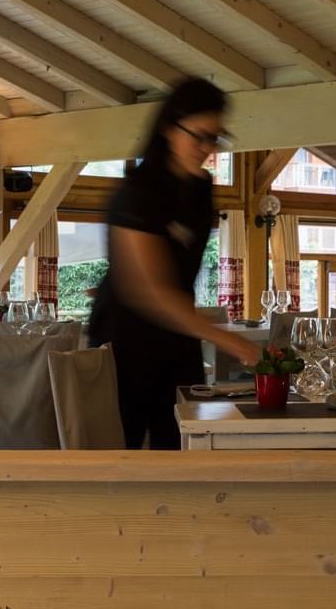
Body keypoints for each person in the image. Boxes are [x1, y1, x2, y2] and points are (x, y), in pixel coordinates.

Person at [89, 77, 259, 450]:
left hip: (176, 336)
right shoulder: (137, 193)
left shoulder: (201, 190)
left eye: (215, 137)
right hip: (124, 339)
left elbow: (179, 277)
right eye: (198, 135)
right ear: (169, 128)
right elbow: (149, 291)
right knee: (124, 449)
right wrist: (229, 339)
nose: (206, 147)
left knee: (187, 445)